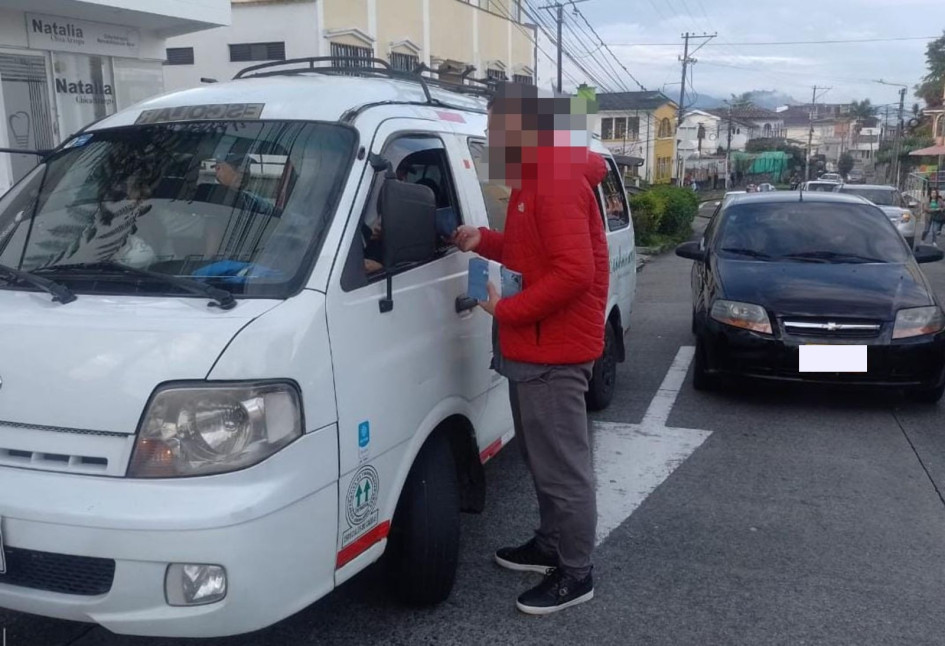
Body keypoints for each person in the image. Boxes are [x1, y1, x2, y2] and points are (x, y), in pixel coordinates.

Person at [452, 83, 608, 615]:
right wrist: (485, 240)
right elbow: (530, 254)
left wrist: (508, 311)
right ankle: (549, 545)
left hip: (554, 352)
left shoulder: (556, 182)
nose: (495, 139)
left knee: (564, 468)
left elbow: (574, 273)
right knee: (544, 460)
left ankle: (576, 572)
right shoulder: (530, 183)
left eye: (503, 129)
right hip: (535, 347)